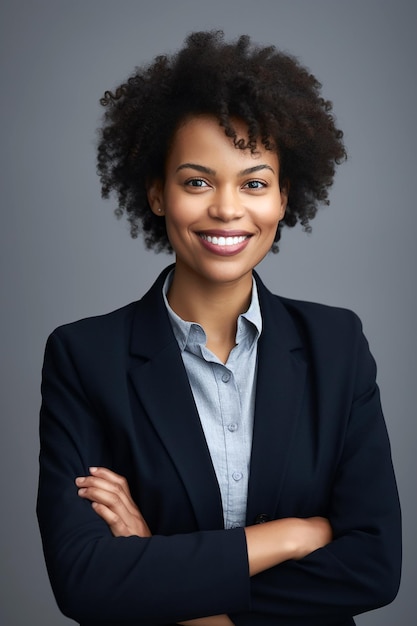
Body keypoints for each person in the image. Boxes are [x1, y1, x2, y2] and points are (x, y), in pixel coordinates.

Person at [37, 31, 401, 626]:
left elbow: (374, 567)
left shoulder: (337, 345)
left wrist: (165, 577)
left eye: (254, 183)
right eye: (197, 181)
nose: (227, 209)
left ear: (285, 198)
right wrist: (287, 537)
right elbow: (83, 580)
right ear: (157, 193)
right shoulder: (84, 356)